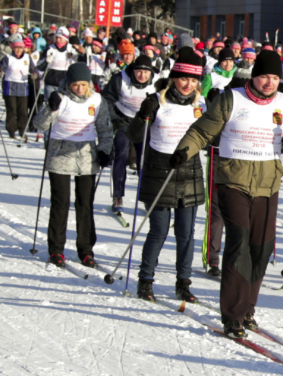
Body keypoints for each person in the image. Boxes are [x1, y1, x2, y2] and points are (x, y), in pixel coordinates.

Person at [171, 49, 283, 337]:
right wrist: (183, 151)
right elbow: (202, 132)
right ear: (254, 76)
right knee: (238, 243)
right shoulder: (232, 99)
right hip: (232, 180)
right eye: (264, 76)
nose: (269, 82)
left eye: (275, 77)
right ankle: (233, 315)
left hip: (268, 184)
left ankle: (248, 308)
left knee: (261, 247)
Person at [129, 48, 208, 302]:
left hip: (190, 171)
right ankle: (146, 280)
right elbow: (133, 135)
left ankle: (183, 283)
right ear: (174, 77)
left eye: (194, 80)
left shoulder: (200, 105)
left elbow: (209, 138)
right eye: (184, 78)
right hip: (159, 171)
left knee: (186, 233)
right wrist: (142, 116)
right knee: (158, 231)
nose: (188, 84)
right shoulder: (156, 100)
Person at [31, 61, 115, 268]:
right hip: (60, 154)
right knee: (60, 203)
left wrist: (104, 150)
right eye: (75, 84)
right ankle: (56, 249)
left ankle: (85, 249)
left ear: (89, 84)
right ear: (68, 83)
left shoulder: (97, 100)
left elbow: (105, 129)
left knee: (85, 203)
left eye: (83, 84)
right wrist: (50, 109)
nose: (79, 89)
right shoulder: (59, 98)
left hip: (86, 155)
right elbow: (39, 125)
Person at [102, 55, 157, 218]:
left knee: (144, 161)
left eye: (146, 73)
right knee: (121, 155)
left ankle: (147, 198)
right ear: (133, 71)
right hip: (123, 120)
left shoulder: (157, 81)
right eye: (139, 72)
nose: (142, 76)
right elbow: (106, 99)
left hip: (144, 123)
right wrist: (114, 119)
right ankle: (118, 196)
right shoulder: (120, 79)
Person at [0, 37, 38, 141]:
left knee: (22, 110)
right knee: (12, 109)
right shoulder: (8, 57)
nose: (18, 50)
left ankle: (22, 130)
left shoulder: (27, 57)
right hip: (10, 85)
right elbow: (0, 68)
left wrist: (34, 75)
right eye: (16, 48)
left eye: (20, 48)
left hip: (23, 87)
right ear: (13, 48)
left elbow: (33, 69)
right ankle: (11, 130)